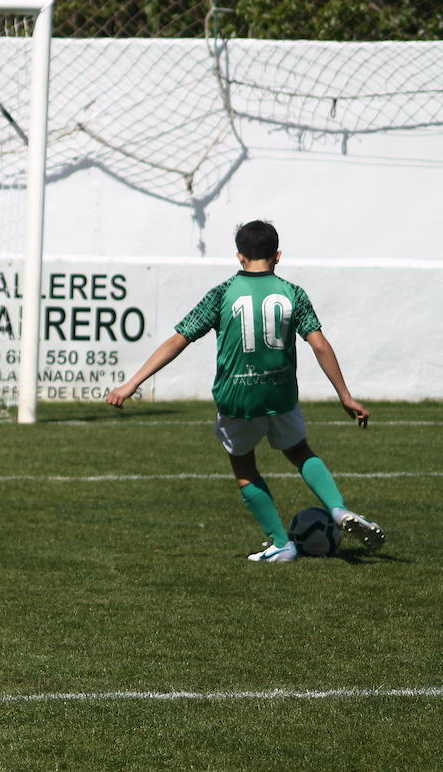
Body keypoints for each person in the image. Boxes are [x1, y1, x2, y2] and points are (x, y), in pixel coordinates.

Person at [105, 220, 384, 563]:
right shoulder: (293, 293)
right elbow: (320, 344)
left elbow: (179, 340)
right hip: (280, 395)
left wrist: (132, 384)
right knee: (299, 451)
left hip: (237, 399)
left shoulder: (222, 293)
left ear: (239, 256)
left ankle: (281, 543)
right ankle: (337, 508)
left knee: (245, 468)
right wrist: (345, 395)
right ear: (277, 256)